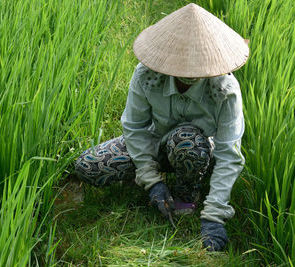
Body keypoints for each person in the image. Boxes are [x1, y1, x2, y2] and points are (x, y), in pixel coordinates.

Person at [74, 3, 249, 251]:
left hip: (198, 151)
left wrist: (214, 215)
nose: (189, 73)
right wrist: (151, 180)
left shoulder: (224, 90)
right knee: (88, 165)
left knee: (186, 141)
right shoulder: (147, 76)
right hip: (156, 142)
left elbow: (229, 154)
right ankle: (151, 183)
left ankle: (186, 196)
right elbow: (134, 128)